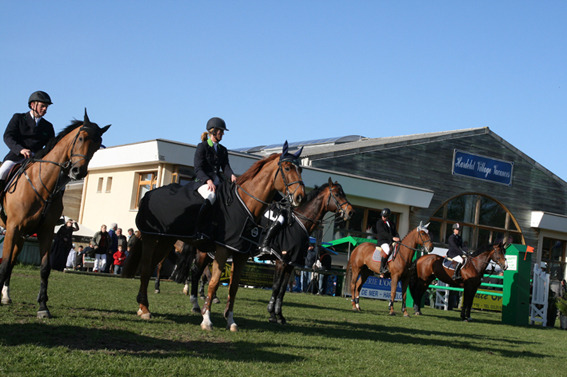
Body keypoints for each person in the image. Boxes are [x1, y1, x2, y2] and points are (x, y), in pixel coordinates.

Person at [0, 91, 55, 204]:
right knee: (2, 171)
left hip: (36, 160)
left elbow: (51, 147)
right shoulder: (18, 118)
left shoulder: (48, 126)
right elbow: (7, 136)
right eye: (42, 106)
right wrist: (20, 149)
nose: (45, 109)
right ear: (33, 105)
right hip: (16, 157)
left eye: (46, 106)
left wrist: (40, 155)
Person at [193, 117, 237, 246]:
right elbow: (198, 168)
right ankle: (199, 229)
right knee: (211, 196)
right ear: (213, 131)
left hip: (218, 181)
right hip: (202, 181)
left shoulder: (223, 150)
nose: (222, 134)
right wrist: (207, 180)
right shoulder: (202, 147)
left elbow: (226, 168)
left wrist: (232, 176)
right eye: (221, 131)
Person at [375, 208, 400, 275]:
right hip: (383, 241)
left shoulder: (392, 223)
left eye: (385, 216)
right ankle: (382, 268)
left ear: (388, 216)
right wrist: (392, 238)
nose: (383, 217)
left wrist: (398, 237)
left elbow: (395, 232)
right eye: (383, 216)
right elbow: (383, 233)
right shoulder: (379, 223)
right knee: (387, 250)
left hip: (390, 241)